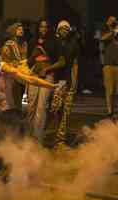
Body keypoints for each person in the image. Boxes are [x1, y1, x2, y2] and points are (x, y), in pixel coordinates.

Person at [45, 20, 79, 150]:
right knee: (54, 108)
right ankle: (48, 135)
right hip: (55, 79)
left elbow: (75, 63)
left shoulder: (73, 43)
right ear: (58, 30)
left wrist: (75, 81)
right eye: (62, 28)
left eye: (66, 28)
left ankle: (60, 139)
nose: (64, 30)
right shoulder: (54, 42)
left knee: (66, 110)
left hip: (67, 80)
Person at [26, 19, 54, 143]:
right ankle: (29, 135)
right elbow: (28, 62)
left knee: (41, 107)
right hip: (34, 75)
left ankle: (38, 138)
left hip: (47, 76)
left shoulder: (54, 42)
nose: (43, 29)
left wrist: (47, 67)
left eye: (45, 27)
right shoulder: (32, 42)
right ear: (38, 28)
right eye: (41, 27)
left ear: (48, 28)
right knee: (31, 105)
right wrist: (34, 55)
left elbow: (58, 61)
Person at [101, 16, 118, 117]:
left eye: (114, 20)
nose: (112, 22)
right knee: (109, 90)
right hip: (109, 65)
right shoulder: (105, 31)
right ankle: (110, 112)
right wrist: (113, 31)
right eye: (110, 21)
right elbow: (102, 39)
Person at [1, 22, 28, 110]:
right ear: (13, 31)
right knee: (12, 97)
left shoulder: (24, 43)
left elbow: (24, 58)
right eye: (19, 29)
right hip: (11, 73)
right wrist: (12, 64)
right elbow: (4, 60)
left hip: (22, 72)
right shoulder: (8, 44)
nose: (21, 31)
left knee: (20, 96)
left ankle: (18, 113)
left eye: (22, 29)